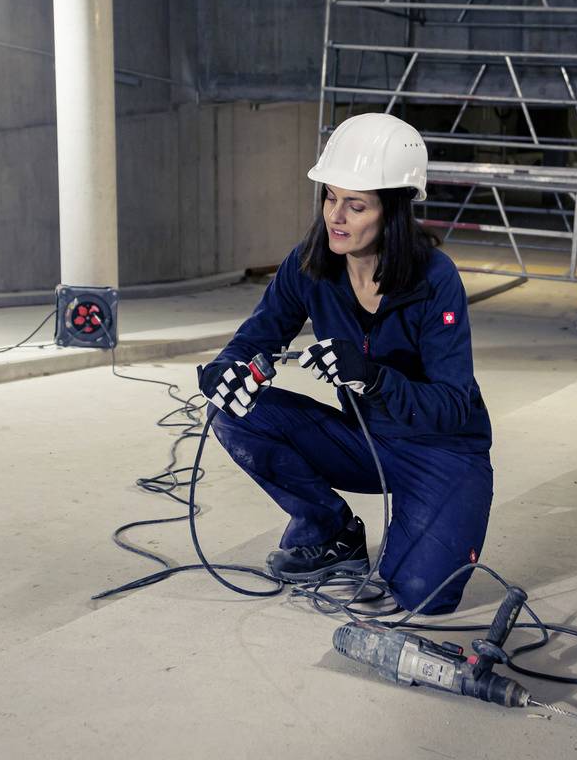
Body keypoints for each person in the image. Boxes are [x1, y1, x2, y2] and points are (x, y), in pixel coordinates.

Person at [197, 112, 493, 615]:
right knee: (235, 414)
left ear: (392, 211)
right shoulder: (310, 264)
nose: (336, 216)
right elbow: (257, 337)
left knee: (423, 596)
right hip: (363, 439)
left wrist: (375, 377)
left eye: (355, 206)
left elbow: (450, 404)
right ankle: (332, 532)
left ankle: (419, 529)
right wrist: (225, 369)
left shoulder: (435, 278)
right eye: (330, 198)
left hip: (440, 448)